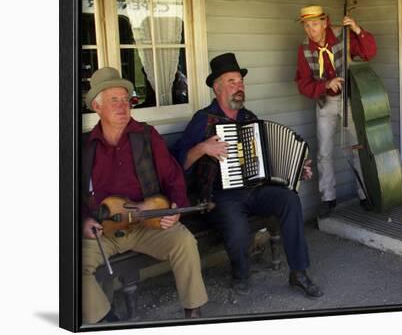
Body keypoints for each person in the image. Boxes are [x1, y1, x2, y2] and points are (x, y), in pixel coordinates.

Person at [172, 53, 323, 298]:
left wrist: (296, 169)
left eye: (241, 82)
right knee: (236, 223)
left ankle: (299, 271)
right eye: (232, 82)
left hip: (255, 190)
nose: (239, 86)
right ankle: (240, 274)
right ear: (217, 87)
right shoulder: (203, 120)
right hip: (220, 196)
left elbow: (269, 162)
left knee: (290, 199)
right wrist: (202, 148)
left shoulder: (249, 119)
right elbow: (178, 163)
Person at [81, 67, 208, 324]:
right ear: (97, 106)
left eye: (125, 99)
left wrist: (176, 209)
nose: (122, 106)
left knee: (184, 243)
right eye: (113, 100)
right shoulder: (84, 147)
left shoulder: (147, 136)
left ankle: (193, 314)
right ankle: (105, 320)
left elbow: (173, 177)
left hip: (146, 224)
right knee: (69, 263)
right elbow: (68, 193)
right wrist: (83, 220)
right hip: (103, 231)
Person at [294, 5, 377, 216]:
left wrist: (358, 30)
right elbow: (303, 84)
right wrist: (325, 85)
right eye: (306, 25)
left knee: (357, 147)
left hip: (350, 98)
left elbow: (369, 53)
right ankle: (328, 198)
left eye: (314, 24)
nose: (310, 30)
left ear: (325, 23)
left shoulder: (343, 35)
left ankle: (365, 193)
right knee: (323, 152)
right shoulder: (304, 48)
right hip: (325, 102)